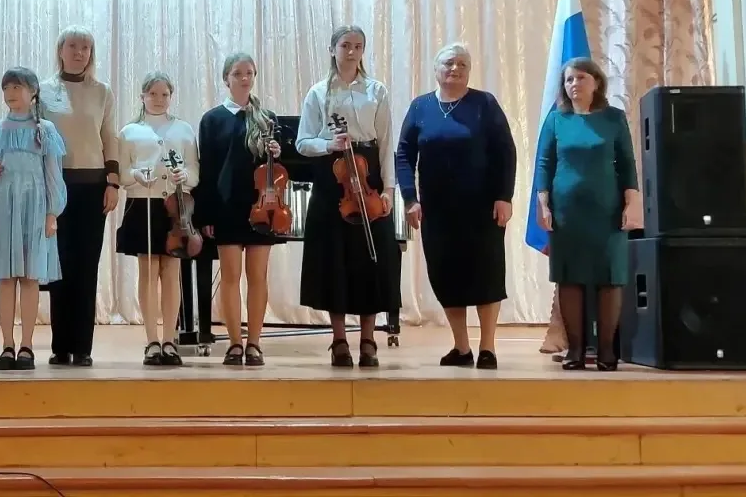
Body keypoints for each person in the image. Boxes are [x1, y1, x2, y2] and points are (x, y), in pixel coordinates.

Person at [395, 43, 516, 370]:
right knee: (446, 276)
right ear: (436, 69)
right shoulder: (420, 107)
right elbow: (404, 154)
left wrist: (504, 196)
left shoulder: (484, 103)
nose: (456, 69)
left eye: (463, 64)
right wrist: (410, 198)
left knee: (486, 275)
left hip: (482, 208)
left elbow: (506, 152)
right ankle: (461, 347)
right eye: (449, 63)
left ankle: (487, 348)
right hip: (437, 210)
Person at [295, 26, 401, 368]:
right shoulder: (318, 92)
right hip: (334, 177)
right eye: (345, 45)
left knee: (372, 259)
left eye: (357, 46)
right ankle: (339, 339)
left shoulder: (377, 90)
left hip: (368, 173)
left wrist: (388, 189)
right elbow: (302, 142)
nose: (351, 51)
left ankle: (368, 339)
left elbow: (386, 142)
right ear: (333, 49)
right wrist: (329, 144)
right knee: (334, 260)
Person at [535, 57, 639, 371]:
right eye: (569, 80)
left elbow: (627, 163)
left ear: (596, 82)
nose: (574, 84)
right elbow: (544, 163)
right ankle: (576, 351)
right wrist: (543, 204)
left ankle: (606, 351)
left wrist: (631, 202)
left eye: (580, 78)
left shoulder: (613, 118)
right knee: (569, 277)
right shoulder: (557, 119)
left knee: (610, 277)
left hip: (608, 210)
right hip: (566, 211)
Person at [0, 67, 68, 370]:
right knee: (5, 277)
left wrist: (52, 212)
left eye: (17, 87)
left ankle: (27, 345)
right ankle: (7, 345)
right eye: (7, 88)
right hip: (3, 205)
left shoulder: (45, 130)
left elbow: (53, 175)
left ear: (33, 91)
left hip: (35, 206)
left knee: (30, 276)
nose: (11, 93)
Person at [39, 27, 120, 367]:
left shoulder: (102, 92)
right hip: (55, 186)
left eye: (85, 47)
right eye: (72, 45)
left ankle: (82, 347)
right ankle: (60, 346)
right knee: (59, 265)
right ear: (60, 50)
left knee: (86, 266)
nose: (79, 52)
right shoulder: (43, 90)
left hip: (92, 187)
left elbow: (109, 136)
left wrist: (113, 182)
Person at [195, 52, 282, 367]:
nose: (244, 78)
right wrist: (205, 215)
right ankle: (234, 343)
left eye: (249, 73)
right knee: (230, 276)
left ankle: (254, 343)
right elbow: (207, 171)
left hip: (261, 205)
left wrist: (276, 151)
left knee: (258, 276)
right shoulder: (212, 119)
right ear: (226, 79)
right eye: (237, 73)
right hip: (226, 206)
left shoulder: (267, 118)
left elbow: (279, 171)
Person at [117, 72, 199, 366]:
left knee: (171, 270)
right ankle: (152, 340)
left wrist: (184, 175)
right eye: (152, 94)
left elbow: (195, 171)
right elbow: (122, 174)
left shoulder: (184, 129)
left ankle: (169, 340)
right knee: (148, 271)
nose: (159, 99)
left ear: (171, 97)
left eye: (164, 94)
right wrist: (136, 175)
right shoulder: (129, 131)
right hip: (143, 204)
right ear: (142, 96)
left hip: (174, 207)